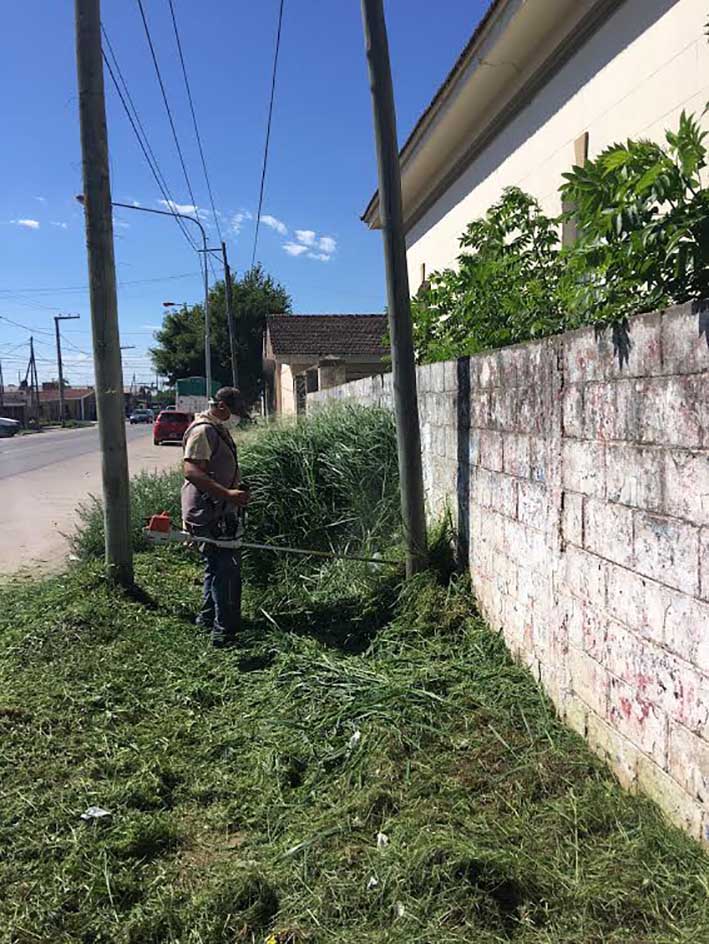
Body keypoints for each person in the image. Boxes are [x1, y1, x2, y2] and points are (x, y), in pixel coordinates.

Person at [181, 386, 249, 648]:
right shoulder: (203, 431)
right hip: (208, 510)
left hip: (218, 506)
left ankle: (207, 618)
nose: (236, 417)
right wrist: (228, 495)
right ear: (221, 407)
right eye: (234, 412)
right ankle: (224, 633)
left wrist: (235, 490)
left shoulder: (217, 428)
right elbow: (193, 472)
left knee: (214, 565)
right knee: (226, 569)